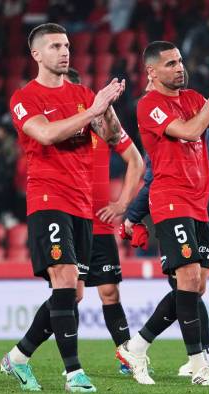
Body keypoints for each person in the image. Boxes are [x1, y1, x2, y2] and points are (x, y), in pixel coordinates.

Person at [0, 22, 125, 393]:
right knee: (66, 280)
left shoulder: (84, 93)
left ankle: (19, 357)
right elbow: (47, 133)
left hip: (81, 202)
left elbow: (114, 137)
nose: (64, 51)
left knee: (73, 292)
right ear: (37, 54)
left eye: (67, 45)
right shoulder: (25, 97)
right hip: (47, 197)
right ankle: (74, 374)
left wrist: (107, 110)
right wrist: (93, 110)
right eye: (55, 46)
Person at [116, 41, 209, 386]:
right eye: (171, 63)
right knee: (187, 279)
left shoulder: (192, 99)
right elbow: (189, 130)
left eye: (181, 61)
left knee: (196, 286)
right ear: (152, 71)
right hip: (171, 201)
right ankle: (200, 367)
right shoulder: (149, 106)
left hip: (198, 204)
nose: (179, 67)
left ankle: (137, 345)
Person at [65, 69, 145, 374]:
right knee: (72, 294)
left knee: (110, 292)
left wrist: (123, 204)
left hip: (99, 225)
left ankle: (127, 357)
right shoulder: (60, 131)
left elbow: (136, 161)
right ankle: (69, 364)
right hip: (73, 223)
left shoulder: (102, 127)